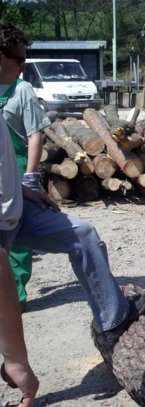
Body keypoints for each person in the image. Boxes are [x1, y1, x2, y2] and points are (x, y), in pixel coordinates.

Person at [0, 22, 145, 407]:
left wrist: (27, 188)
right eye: (18, 59)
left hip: (17, 209)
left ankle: (113, 324)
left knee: (82, 234)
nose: (23, 65)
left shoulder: (16, 91)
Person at [0, 21, 51, 309]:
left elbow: (35, 134)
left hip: (17, 165)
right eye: (19, 60)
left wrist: (29, 176)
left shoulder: (22, 91)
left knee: (17, 241)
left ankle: (15, 297)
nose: (23, 66)